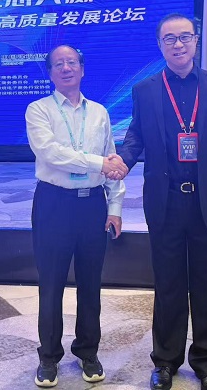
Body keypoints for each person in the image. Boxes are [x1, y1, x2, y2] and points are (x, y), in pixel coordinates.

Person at [113, 13, 207, 390]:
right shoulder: (145, 90)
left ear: (196, 40)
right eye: (169, 39)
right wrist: (123, 161)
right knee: (168, 283)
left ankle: (206, 361)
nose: (178, 44)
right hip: (166, 202)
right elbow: (136, 136)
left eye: (185, 37)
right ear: (160, 45)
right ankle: (165, 361)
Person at [25, 45, 127, 387]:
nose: (66, 68)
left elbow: (111, 157)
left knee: (90, 284)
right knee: (51, 284)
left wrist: (114, 208)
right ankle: (49, 356)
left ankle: (87, 350)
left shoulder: (99, 112)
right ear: (50, 73)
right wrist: (100, 164)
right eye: (58, 64)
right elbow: (51, 153)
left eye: (71, 62)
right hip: (54, 204)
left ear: (82, 69)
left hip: (92, 206)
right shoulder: (38, 110)